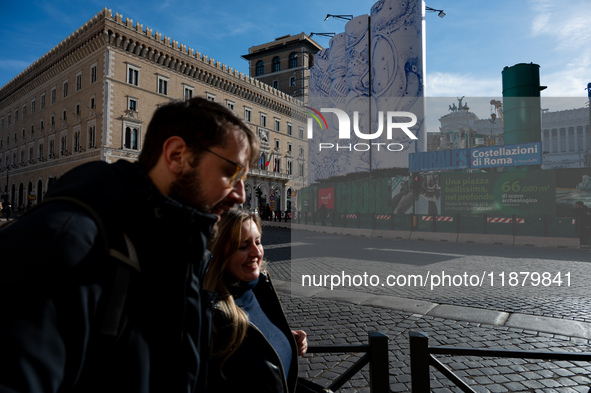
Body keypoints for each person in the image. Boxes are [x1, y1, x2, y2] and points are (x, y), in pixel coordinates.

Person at [0, 97, 259, 392]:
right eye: (233, 173)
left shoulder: (182, 249)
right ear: (176, 155)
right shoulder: (63, 241)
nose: (240, 195)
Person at [204, 209, 307, 393]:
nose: (256, 252)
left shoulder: (260, 288)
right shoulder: (215, 320)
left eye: (258, 242)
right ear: (220, 251)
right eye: (243, 246)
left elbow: (258, 337)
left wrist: (283, 338)